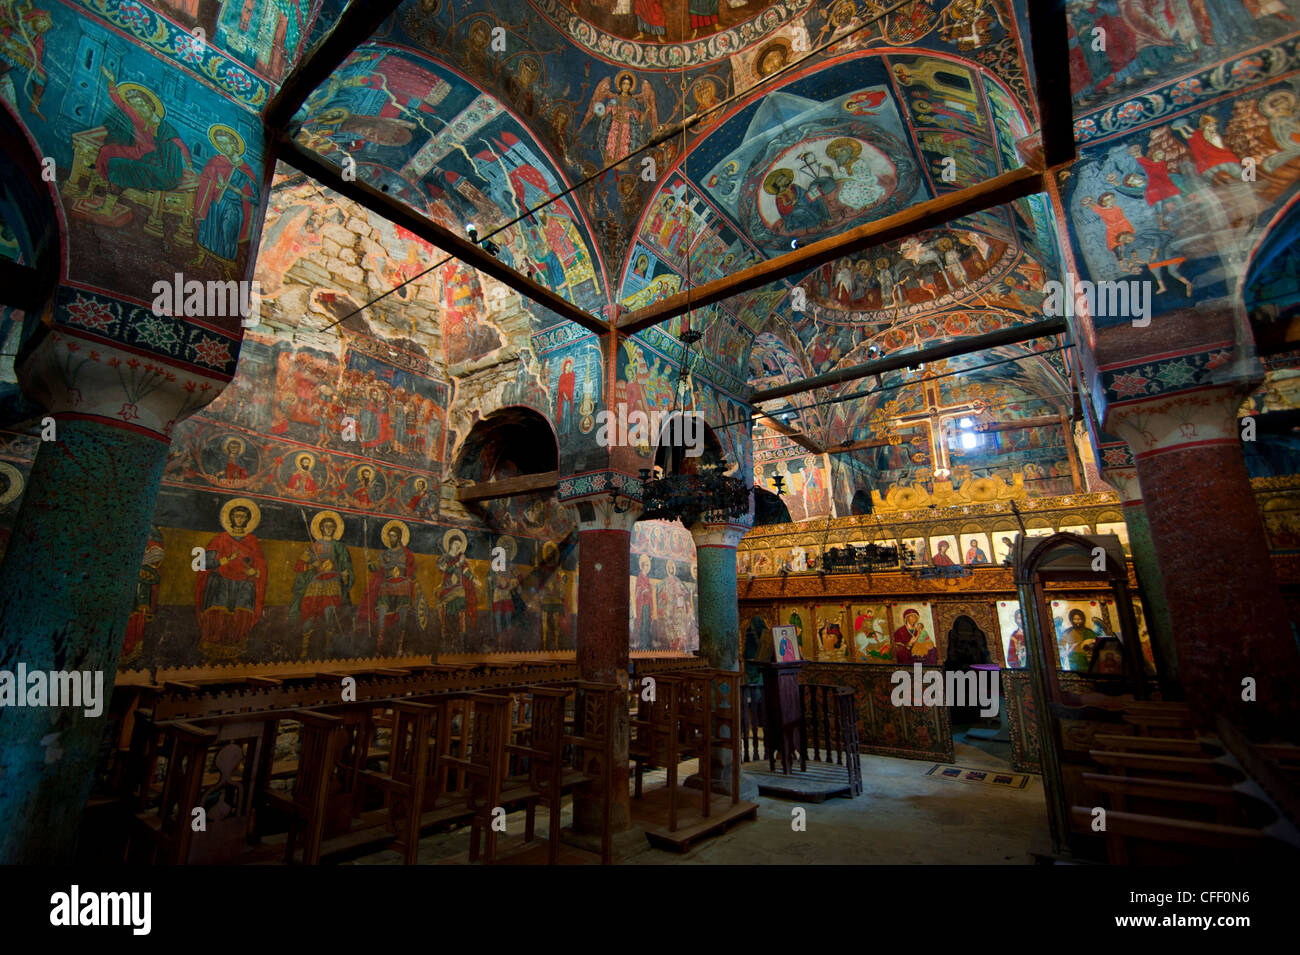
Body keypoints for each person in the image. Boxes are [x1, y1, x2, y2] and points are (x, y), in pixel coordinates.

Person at [196, 500, 267, 661]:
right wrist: (225, 560)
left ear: (248, 519)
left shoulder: (252, 542)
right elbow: (204, 563)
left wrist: (255, 571)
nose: (239, 519)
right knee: (218, 615)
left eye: (243, 517)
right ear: (231, 518)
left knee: (240, 616)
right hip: (221, 582)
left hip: (244, 584)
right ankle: (213, 650)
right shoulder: (219, 540)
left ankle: (234, 651)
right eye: (236, 516)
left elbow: (261, 565)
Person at [291, 512, 354, 658]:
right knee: (309, 613)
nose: (329, 529)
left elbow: (346, 566)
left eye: (331, 527)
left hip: (333, 582)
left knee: (329, 615)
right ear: (321, 528)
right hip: (316, 583)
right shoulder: (314, 546)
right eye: (326, 526)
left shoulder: (339, 547)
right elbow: (298, 566)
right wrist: (312, 565)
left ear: (335, 529)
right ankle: (304, 649)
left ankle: (328, 648)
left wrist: (344, 574)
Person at [362, 522, 417, 655]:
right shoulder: (384, 555)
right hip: (386, 587)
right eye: (390, 536)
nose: (391, 538)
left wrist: (410, 577)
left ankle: (399, 647)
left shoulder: (406, 554)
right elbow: (374, 568)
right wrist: (368, 559)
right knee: (381, 613)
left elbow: (412, 570)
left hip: (402, 587)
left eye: (394, 536)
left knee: (403, 616)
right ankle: (379, 647)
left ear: (399, 537)